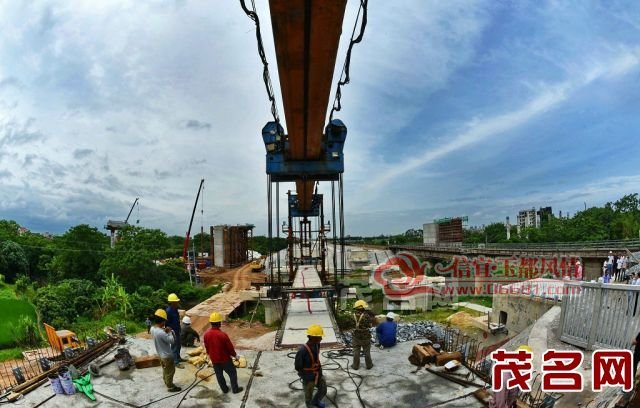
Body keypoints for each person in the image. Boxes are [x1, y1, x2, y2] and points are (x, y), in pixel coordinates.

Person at [203, 312, 243, 395]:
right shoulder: (222, 335)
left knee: (219, 374)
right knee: (232, 373)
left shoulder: (206, 334)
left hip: (214, 359)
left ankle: (224, 389)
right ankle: (235, 389)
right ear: (218, 323)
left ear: (211, 323)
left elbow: (207, 347)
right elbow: (230, 348)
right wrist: (235, 355)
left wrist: (209, 355)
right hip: (225, 359)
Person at [294, 324, 327, 408]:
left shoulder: (317, 345)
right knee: (308, 396)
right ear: (312, 337)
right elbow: (298, 366)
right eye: (319, 337)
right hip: (308, 378)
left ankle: (315, 402)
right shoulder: (302, 350)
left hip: (318, 373)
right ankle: (310, 405)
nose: (321, 339)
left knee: (323, 389)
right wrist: (306, 375)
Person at [150, 309, 181, 392]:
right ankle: (170, 386)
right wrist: (170, 332)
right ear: (163, 321)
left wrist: (164, 331)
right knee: (171, 371)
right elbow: (172, 341)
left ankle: (166, 381)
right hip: (167, 356)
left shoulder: (152, 329)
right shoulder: (162, 333)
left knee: (165, 369)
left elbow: (159, 332)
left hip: (160, 355)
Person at [351, 300, 375, 370]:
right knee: (366, 351)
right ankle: (369, 365)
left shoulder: (352, 315)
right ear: (362, 307)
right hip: (365, 336)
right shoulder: (366, 316)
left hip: (356, 335)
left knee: (356, 350)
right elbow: (370, 326)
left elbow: (351, 325)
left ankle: (355, 366)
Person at [166, 293, 183, 365]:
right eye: (176, 301)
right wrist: (169, 332)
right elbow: (166, 323)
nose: (177, 302)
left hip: (177, 330)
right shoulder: (168, 311)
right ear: (172, 302)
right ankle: (175, 362)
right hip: (172, 332)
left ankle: (178, 358)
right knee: (174, 347)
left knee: (178, 345)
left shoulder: (175, 309)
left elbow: (177, 320)